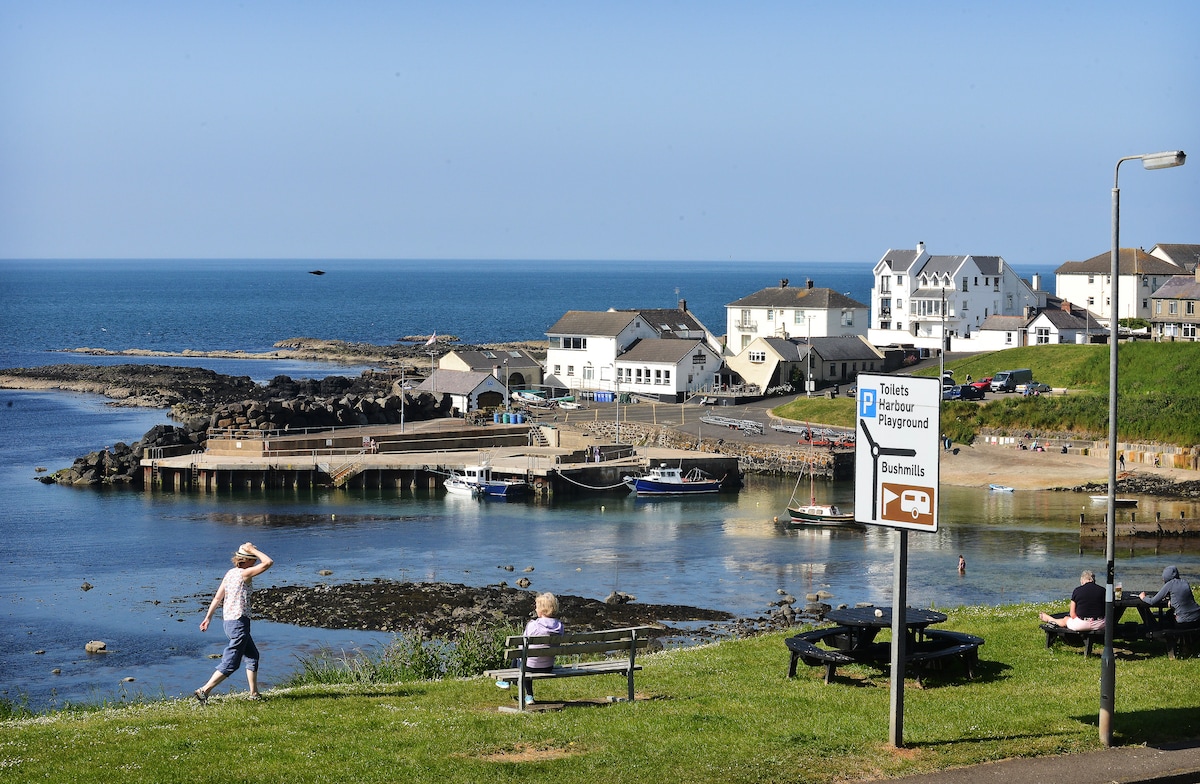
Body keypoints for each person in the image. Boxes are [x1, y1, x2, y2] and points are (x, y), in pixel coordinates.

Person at [194, 542, 274, 703]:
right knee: (232, 661)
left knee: (252, 656)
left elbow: (218, 598)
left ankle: (254, 693)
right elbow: (268, 562)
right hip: (239, 622)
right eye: (253, 559)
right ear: (246, 560)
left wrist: (208, 617)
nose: (255, 562)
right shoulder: (245, 574)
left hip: (229, 622)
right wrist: (253, 550)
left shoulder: (230, 573)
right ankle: (204, 690)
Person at [496, 592, 564, 705]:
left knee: (521, 656)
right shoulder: (559, 626)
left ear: (541, 610)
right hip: (548, 666)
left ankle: (519, 689)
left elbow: (522, 645)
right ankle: (526, 694)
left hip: (530, 666)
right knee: (527, 658)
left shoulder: (533, 625)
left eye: (536, 607)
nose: (535, 609)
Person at [1039, 570, 1105, 631]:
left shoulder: (1077, 591)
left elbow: (1072, 614)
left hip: (1082, 625)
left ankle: (1049, 619)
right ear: (1094, 580)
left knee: (1066, 619)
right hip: (1099, 624)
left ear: (1082, 580)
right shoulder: (1103, 590)